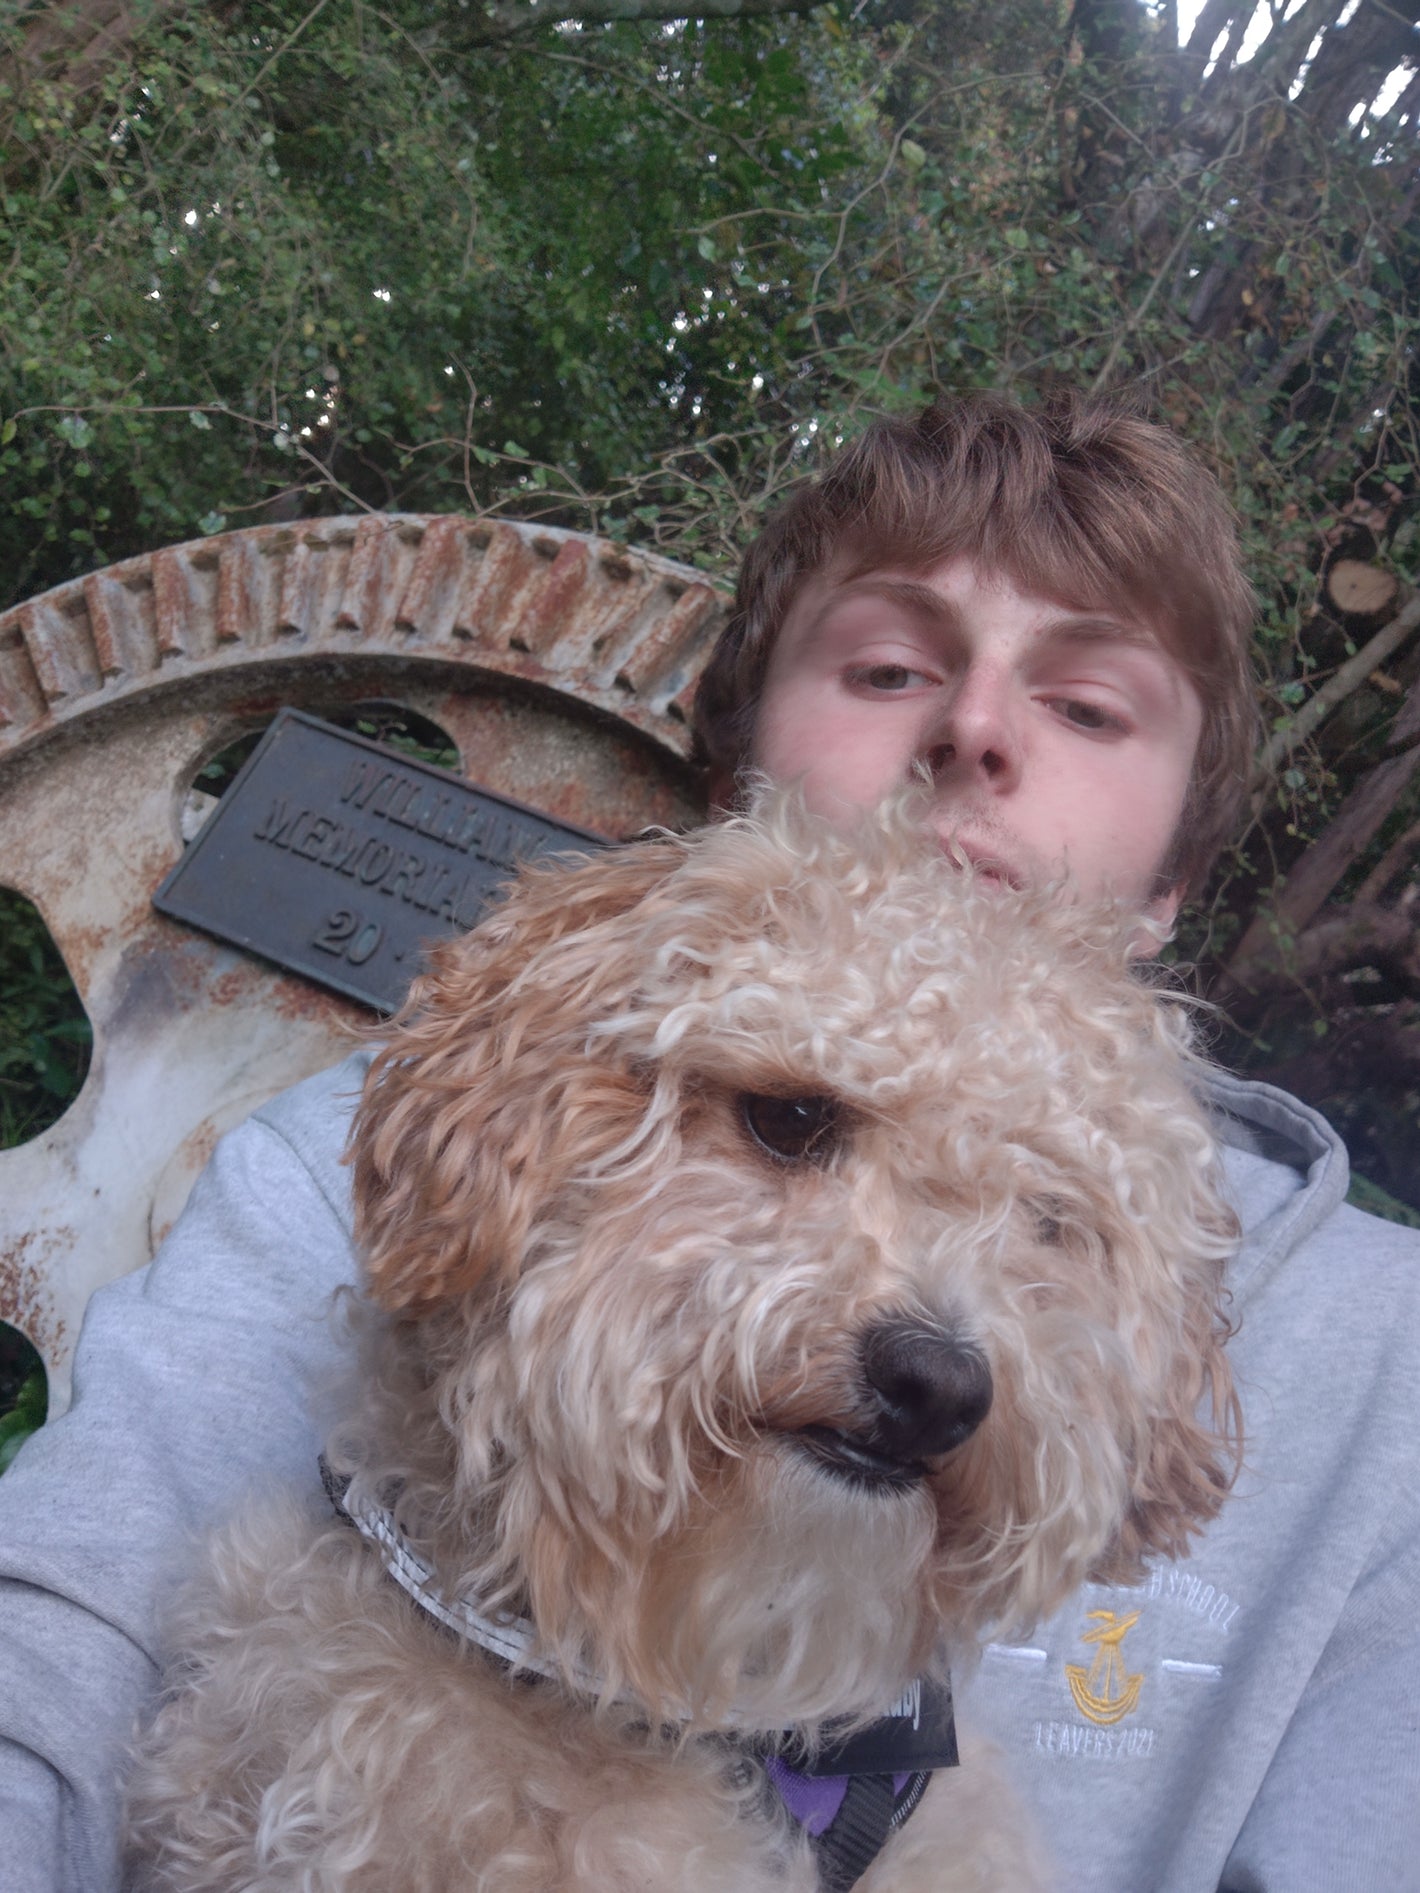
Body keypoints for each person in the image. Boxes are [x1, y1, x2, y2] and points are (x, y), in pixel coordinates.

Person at [1, 392, 1416, 1891]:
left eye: (1088, 707)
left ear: (1173, 884)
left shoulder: (1389, 1364)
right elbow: (56, 1648)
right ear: (736, 773)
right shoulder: (334, 1157)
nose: (974, 730)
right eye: (889, 668)